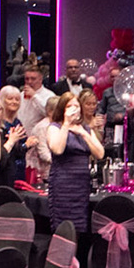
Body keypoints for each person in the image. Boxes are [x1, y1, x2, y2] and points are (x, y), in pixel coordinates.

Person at [44, 91, 102, 239]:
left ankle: (76, 254)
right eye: (69, 106)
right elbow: (57, 149)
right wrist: (66, 124)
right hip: (62, 183)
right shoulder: (54, 127)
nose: (74, 109)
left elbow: (100, 153)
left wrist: (83, 133)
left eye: (76, 106)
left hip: (81, 185)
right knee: (63, 227)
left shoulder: (85, 129)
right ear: (62, 109)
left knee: (79, 228)